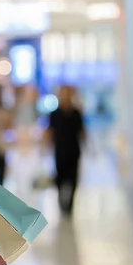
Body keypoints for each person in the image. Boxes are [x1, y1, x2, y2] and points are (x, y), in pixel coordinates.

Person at [43, 85, 85, 215]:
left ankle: (70, 204)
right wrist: (44, 145)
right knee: (60, 177)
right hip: (60, 150)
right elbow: (50, 131)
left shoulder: (76, 113)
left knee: (73, 178)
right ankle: (61, 201)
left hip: (74, 150)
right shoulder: (55, 114)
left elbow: (82, 131)